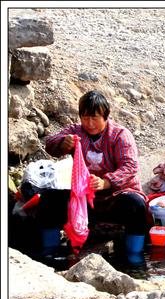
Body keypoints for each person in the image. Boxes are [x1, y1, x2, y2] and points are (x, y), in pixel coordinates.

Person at [37, 90, 148, 259]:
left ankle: (135, 257)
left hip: (115, 199)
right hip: (85, 201)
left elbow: (130, 167)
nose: (89, 123)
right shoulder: (76, 131)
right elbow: (50, 144)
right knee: (49, 198)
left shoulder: (120, 135)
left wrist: (106, 182)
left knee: (136, 204)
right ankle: (49, 252)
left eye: (94, 118)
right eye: (85, 117)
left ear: (106, 116)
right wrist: (62, 142)